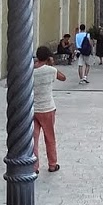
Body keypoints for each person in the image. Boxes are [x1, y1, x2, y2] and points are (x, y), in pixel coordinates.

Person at [33, 44, 66, 173]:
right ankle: (52, 164)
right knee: (49, 137)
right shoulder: (50, 71)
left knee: (33, 139)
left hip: (33, 109)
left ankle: (34, 166)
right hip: (47, 108)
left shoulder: (31, 71)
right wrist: (52, 65)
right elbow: (63, 78)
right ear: (48, 58)